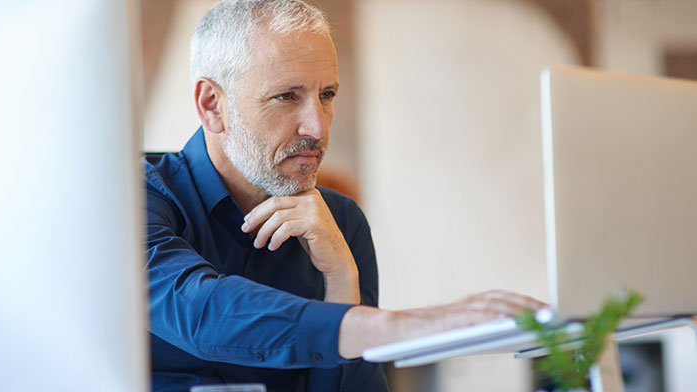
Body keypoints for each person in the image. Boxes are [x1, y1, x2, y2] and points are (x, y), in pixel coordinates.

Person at [143, 1, 545, 391]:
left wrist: (342, 281)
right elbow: (200, 311)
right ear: (212, 104)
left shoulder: (341, 222)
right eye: (287, 96)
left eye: (327, 95)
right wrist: (403, 326)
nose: (316, 127)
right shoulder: (135, 200)